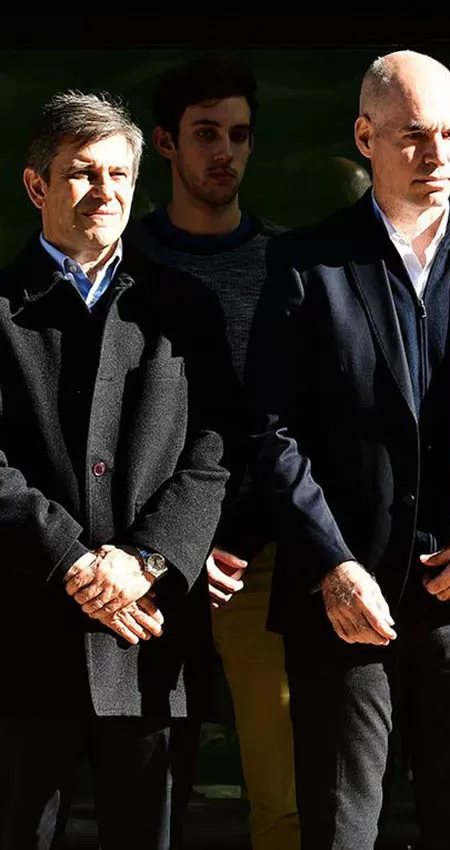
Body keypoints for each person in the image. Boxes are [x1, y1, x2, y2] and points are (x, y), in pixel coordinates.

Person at [247, 50, 450, 850]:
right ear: (366, 137)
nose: (436, 155)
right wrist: (332, 564)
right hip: (345, 605)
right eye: (414, 135)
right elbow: (272, 430)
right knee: (341, 835)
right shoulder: (306, 266)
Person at [0, 90, 233, 849]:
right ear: (36, 185)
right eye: (81, 172)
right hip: (21, 643)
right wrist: (72, 563)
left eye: (119, 174)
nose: (104, 190)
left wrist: (145, 560)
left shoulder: (186, 309)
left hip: (149, 640)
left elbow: (214, 452)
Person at [127, 54, 299, 850]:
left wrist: (239, 534)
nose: (225, 151)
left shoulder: (285, 265)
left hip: (256, 557)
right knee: (147, 788)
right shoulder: (125, 262)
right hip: (148, 558)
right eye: (205, 133)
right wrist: (174, 541)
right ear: (165, 142)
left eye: (239, 134)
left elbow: (294, 418)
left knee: (284, 791)